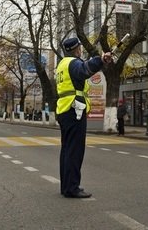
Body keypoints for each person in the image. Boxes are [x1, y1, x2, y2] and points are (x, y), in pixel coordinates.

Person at [56, 37, 112, 199]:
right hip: (75, 110)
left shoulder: (61, 65)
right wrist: (100, 60)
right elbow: (85, 69)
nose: (81, 50)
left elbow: (83, 70)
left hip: (64, 109)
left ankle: (66, 186)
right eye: (80, 47)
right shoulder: (73, 63)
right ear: (77, 49)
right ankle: (72, 188)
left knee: (66, 150)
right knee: (75, 150)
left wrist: (99, 61)